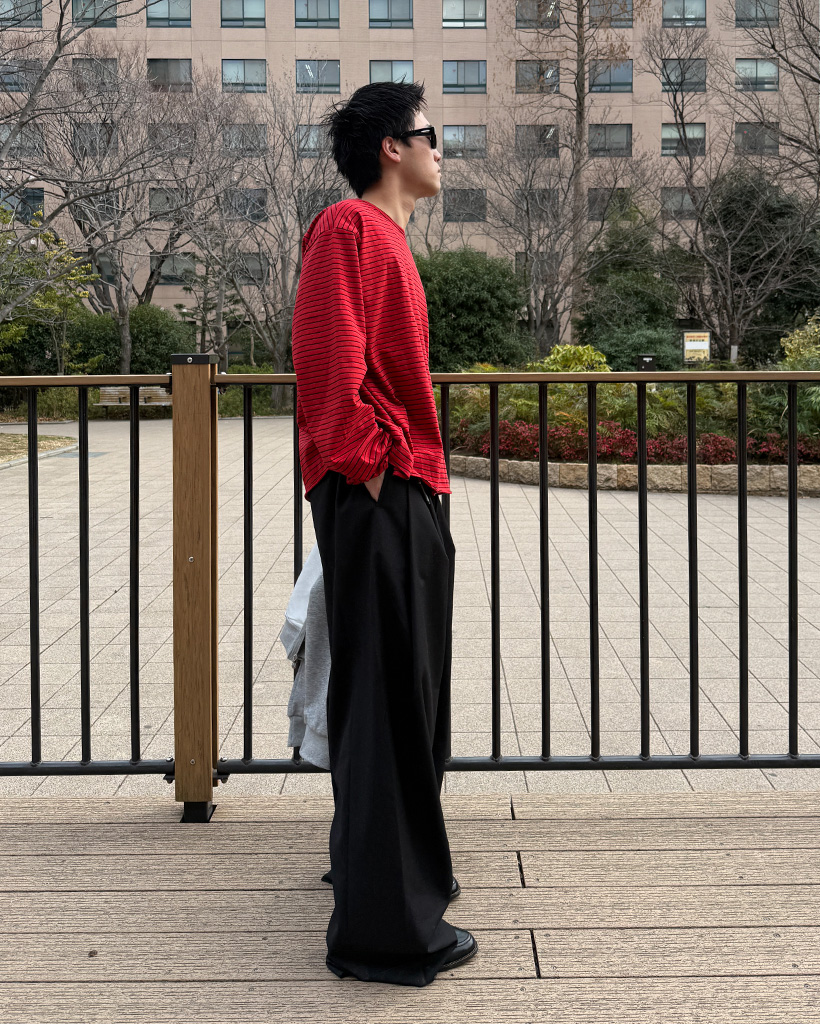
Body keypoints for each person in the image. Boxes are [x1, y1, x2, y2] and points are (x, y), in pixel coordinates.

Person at [290, 80, 477, 987]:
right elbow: (327, 362)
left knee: (407, 699)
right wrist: (371, 466)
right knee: (387, 703)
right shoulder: (348, 227)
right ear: (391, 148)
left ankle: (393, 881)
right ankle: (388, 933)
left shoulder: (387, 237)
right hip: (378, 490)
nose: (443, 150)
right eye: (431, 135)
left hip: (400, 489)